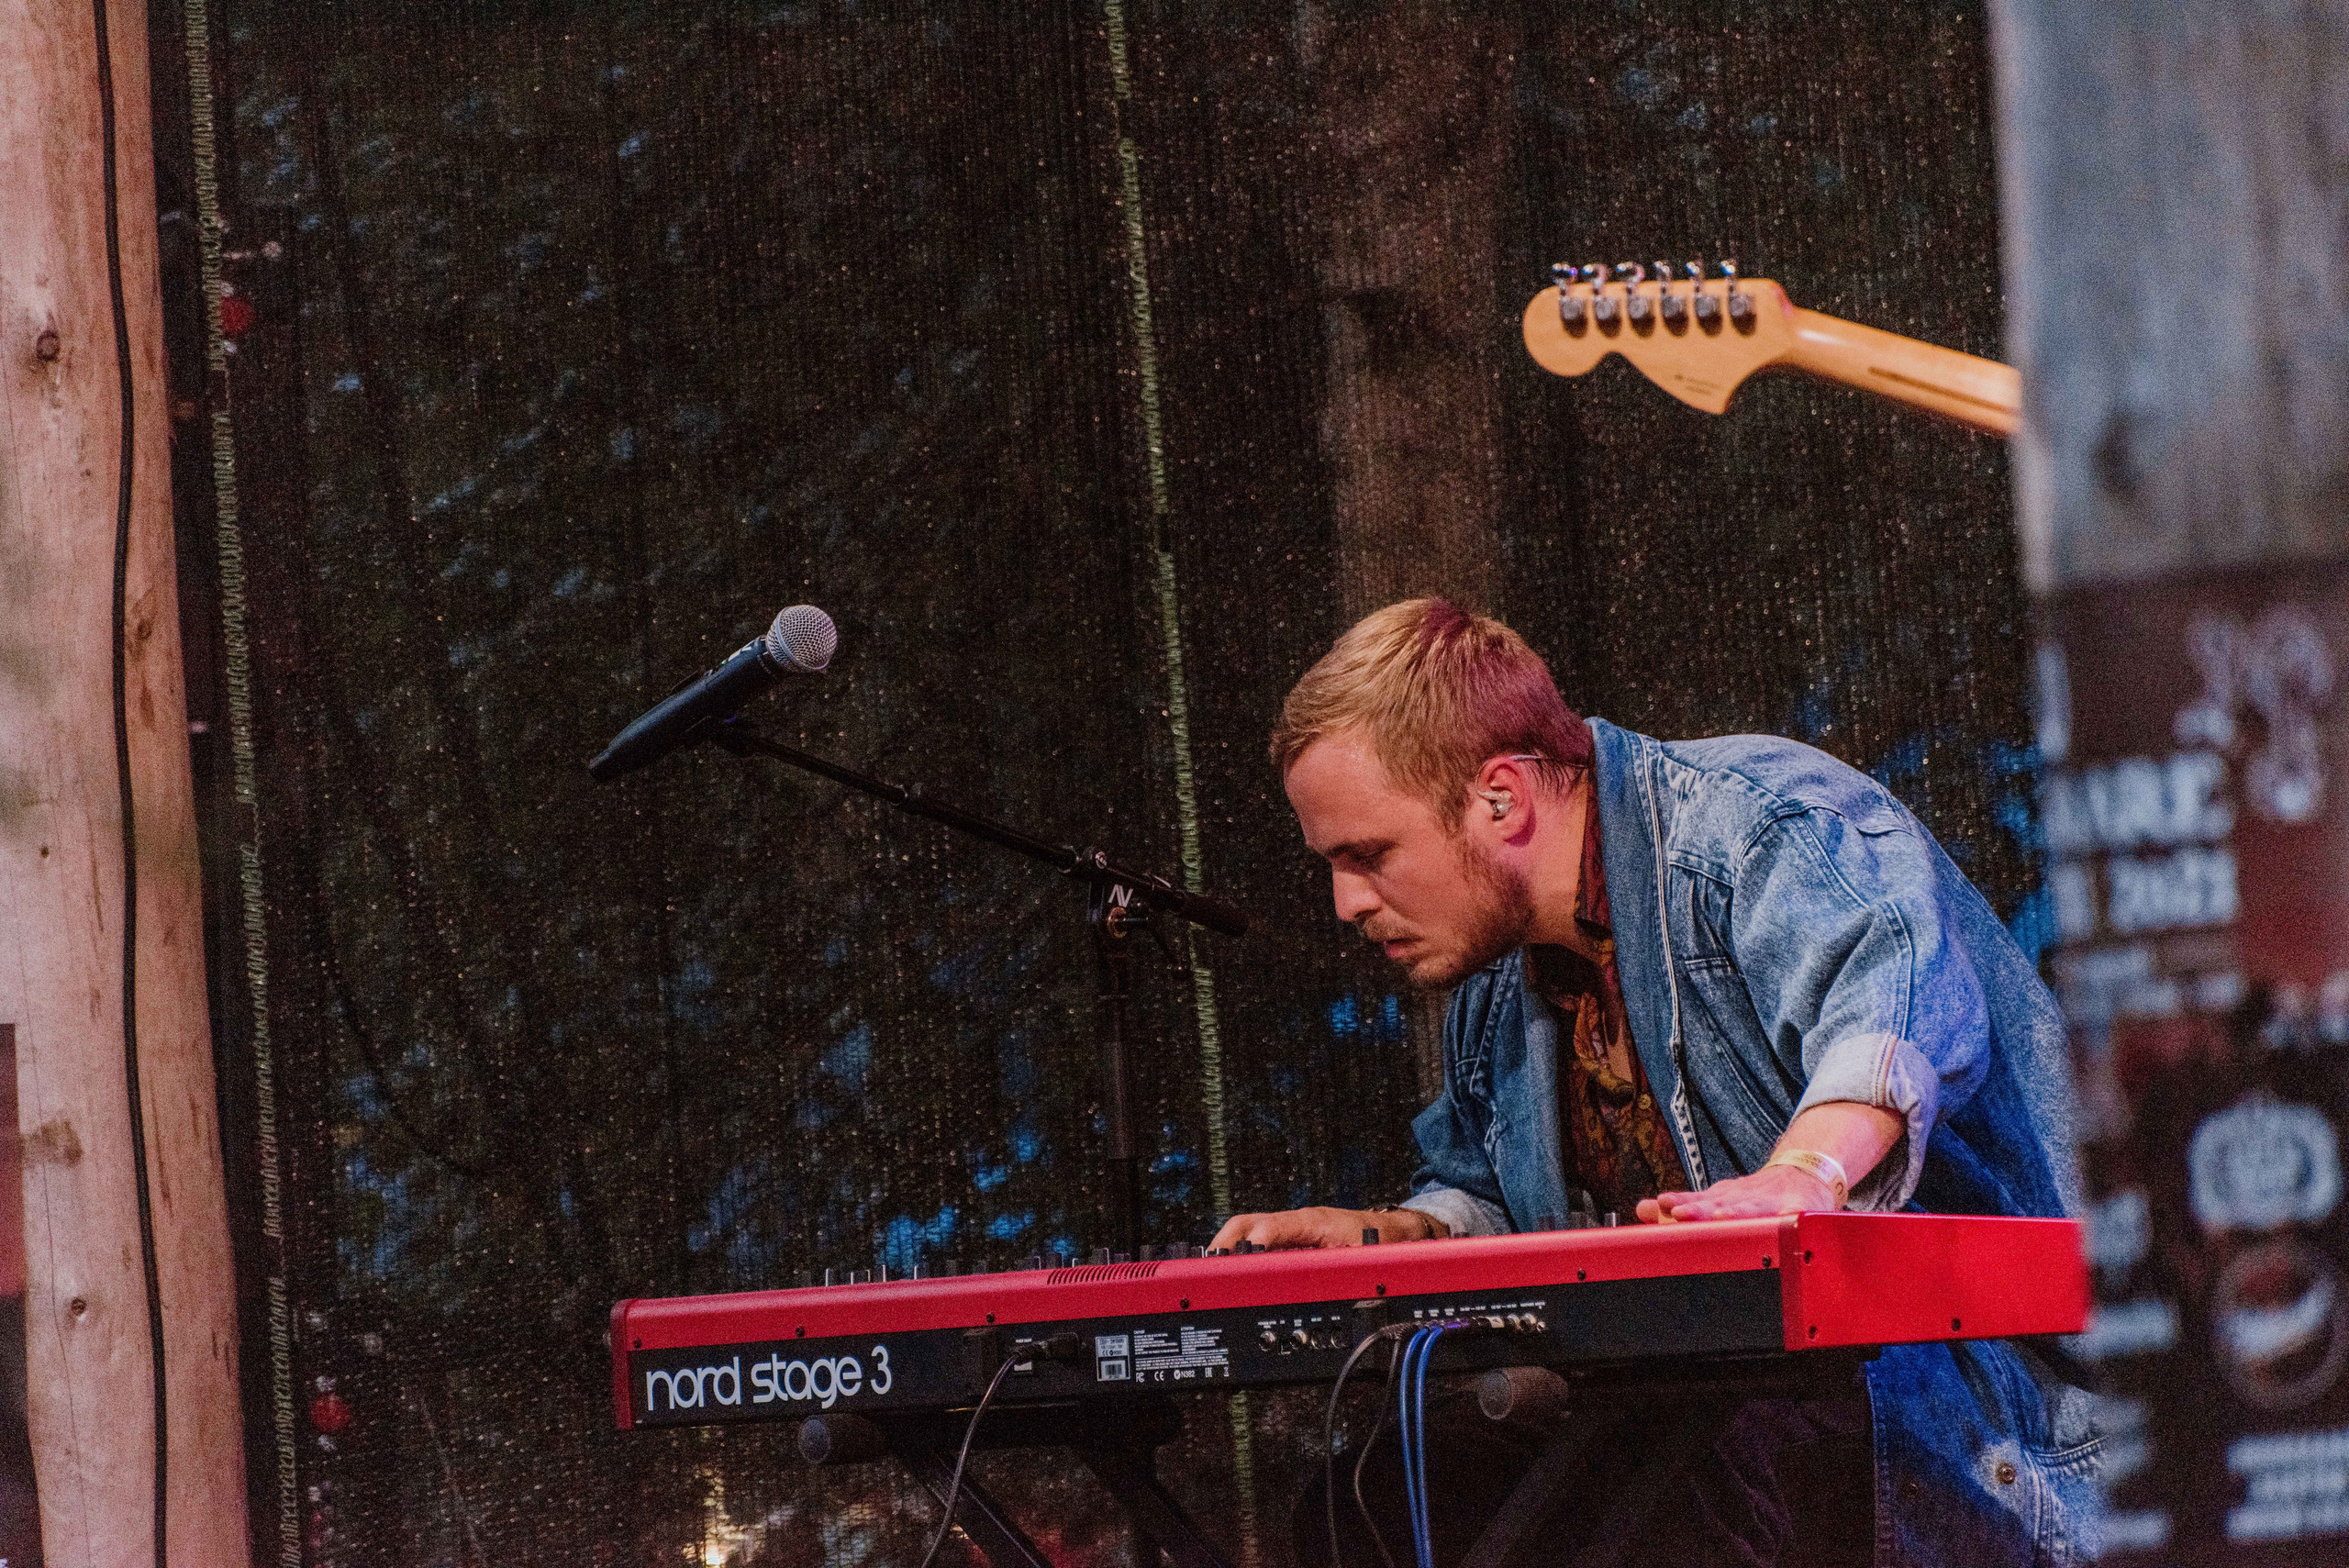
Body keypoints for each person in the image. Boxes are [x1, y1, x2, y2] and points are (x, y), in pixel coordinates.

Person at [1208, 599, 2098, 1567]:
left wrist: (1801, 1174)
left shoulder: (1752, 825)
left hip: (1966, 1415)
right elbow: (1491, 1202)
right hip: (1716, 1419)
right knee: (1376, 1502)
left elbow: (1892, 1020)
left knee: (1680, 1481)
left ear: (1500, 798)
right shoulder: (1497, 984)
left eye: (1368, 855)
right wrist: (1384, 1236)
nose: (1346, 902)